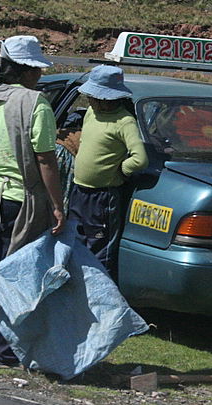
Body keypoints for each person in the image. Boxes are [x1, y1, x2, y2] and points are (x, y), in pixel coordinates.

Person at [0, 35, 65, 368]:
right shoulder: (36, 103)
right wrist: (57, 205)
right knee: (15, 275)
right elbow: (46, 160)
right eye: (35, 68)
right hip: (18, 201)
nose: (39, 74)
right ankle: (3, 352)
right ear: (24, 70)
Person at [68, 64, 148, 278]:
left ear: (107, 98)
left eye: (93, 97)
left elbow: (139, 159)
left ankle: (100, 298)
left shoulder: (124, 122)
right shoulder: (91, 114)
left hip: (103, 198)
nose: (90, 101)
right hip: (79, 191)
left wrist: (121, 170)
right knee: (76, 241)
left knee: (99, 250)